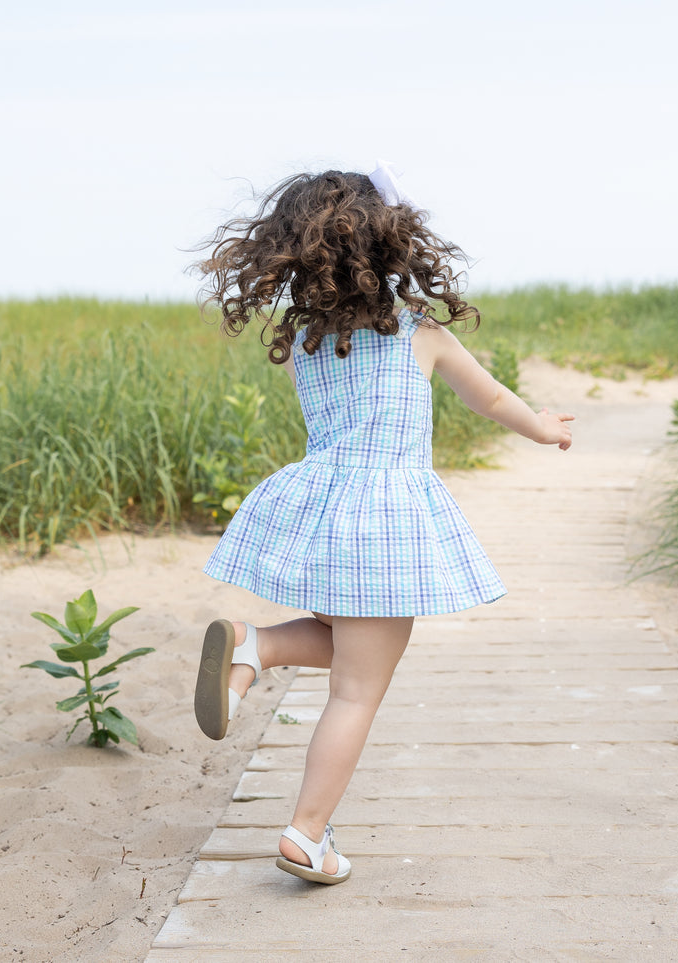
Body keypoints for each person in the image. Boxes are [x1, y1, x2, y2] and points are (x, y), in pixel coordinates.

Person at [192, 164, 574, 885]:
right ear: (395, 247)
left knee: (345, 645)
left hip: (320, 508)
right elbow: (490, 398)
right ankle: (306, 833)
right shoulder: (418, 333)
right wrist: (543, 427)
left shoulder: (305, 341)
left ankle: (258, 643)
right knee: (357, 689)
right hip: (385, 518)